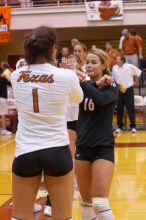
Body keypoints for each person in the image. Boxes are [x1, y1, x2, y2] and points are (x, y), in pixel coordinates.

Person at [10, 26, 84, 220]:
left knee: (19, 216)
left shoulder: (15, 75)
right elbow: (78, 98)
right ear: (53, 48)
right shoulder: (66, 75)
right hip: (56, 150)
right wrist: (74, 77)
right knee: (63, 216)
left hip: (25, 151)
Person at [75, 48, 118, 220]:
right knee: (86, 203)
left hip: (103, 147)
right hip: (83, 146)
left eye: (94, 62)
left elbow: (100, 99)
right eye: (87, 62)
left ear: (103, 65)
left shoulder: (111, 84)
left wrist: (84, 82)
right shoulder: (85, 86)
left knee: (100, 203)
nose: (89, 65)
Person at [112, 54, 142, 134]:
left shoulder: (129, 67)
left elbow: (139, 73)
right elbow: (113, 80)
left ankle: (133, 127)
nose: (116, 60)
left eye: (117, 59)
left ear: (122, 60)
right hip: (119, 90)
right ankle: (119, 127)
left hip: (128, 90)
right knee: (119, 109)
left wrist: (136, 82)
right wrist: (115, 87)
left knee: (130, 108)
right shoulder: (114, 68)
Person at [0, 66, 12, 135]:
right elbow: (10, 84)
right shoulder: (3, 78)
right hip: (2, 98)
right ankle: (3, 130)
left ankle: (1, 128)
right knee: (3, 114)